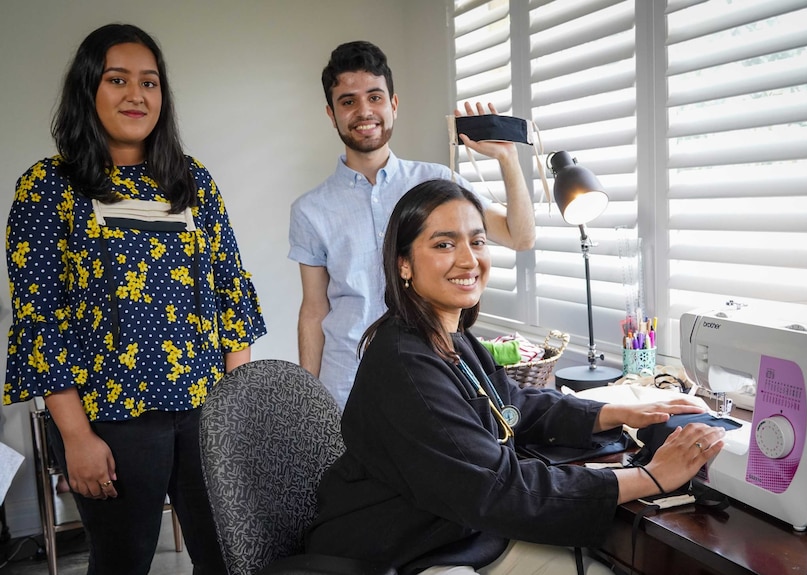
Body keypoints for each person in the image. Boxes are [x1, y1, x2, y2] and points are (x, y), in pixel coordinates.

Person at [304, 179, 726, 574]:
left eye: (477, 241)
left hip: (460, 530)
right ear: (404, 265)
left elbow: (511, 405)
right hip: (407, 552)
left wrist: (619, 412)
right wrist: (651, 476)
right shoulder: (404, 364)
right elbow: (499, 489)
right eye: (444, 244)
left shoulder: (449, 337)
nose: (469, 259)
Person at [3, 24, 266, 575]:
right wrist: (75, 437)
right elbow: (41, 323)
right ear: (87, 90)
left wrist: (231, 418)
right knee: (122, 562)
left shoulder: (191, 181)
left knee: (230, 557)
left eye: (149, 82)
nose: (136, 95)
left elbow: (231, 297)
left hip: (204, 413)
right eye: (117, 79)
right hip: (112, 422)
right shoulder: (49, 187)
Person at [288, 40, 536, 409]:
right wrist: (308, 399)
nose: (364, 111)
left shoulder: (437, 182)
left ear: (394, 105)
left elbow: (520, 236)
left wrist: (507, 159)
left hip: (433, 374)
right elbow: (314, 310)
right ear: (332, 113)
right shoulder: (310, 210)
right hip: (346, 383)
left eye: (374, 97)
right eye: (348, 101)